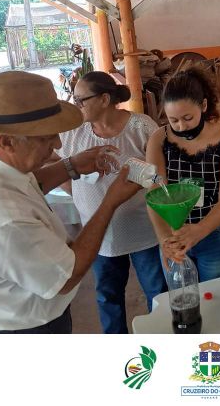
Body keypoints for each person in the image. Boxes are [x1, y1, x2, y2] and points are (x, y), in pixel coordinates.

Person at [0, 71, 140, 333]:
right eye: (46, 137)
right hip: (25, 330)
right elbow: (67, 276)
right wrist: (110, 201)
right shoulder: (4, 220)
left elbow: (27, 184)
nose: (57, 143)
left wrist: (71, 165)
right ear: (7, 141)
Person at [55, 71, 166, 334]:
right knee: (107, 297)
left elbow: (158, 175)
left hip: (143, 231)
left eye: (81, 99)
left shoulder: (141, 127)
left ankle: (161, 341)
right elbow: (56, 165)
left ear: (105, 99)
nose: (76, 104)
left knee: (158, 293)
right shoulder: (73, 134)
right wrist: (78, 194)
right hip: (98, 235)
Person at [146, 67, 220, 281]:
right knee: (183, 300)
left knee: (216, 297)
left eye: (188, 117)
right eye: (173, 120)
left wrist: (199, 230)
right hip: (175, 235)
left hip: (216, 233)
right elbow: (155, 194)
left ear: (204, 105)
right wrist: (164, 240)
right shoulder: (159, 140)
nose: (181, 126)